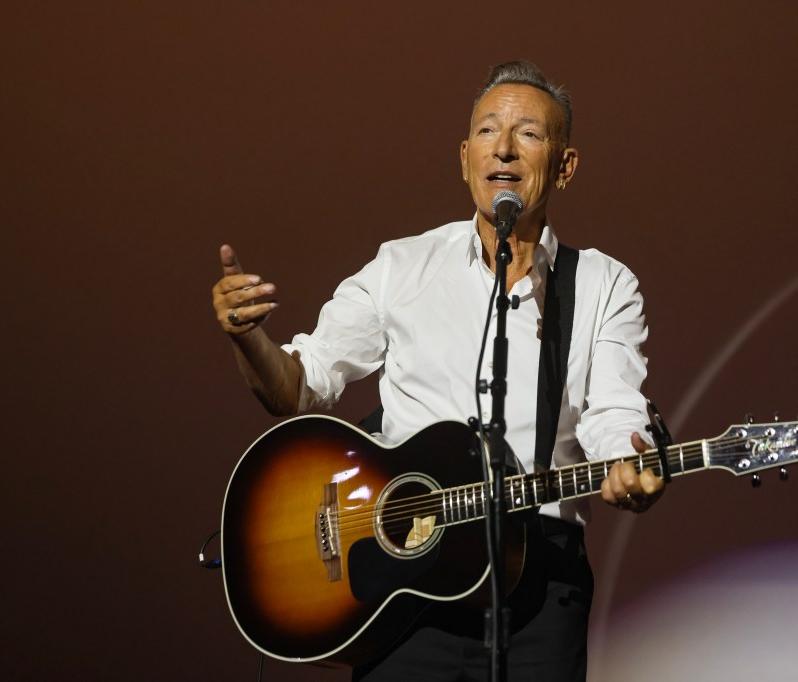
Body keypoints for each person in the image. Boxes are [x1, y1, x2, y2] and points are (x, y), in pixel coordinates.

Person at [211, 60, 665, 681]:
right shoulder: (402, 267)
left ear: (565, 165)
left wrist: (630, 466)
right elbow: (297, 386)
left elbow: (614, 416)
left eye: (528, 133)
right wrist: (247, 338)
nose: (503, 148)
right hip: (406, 582)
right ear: (463, 158)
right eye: (487, 131)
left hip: (539, 579)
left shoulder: (604, 285)